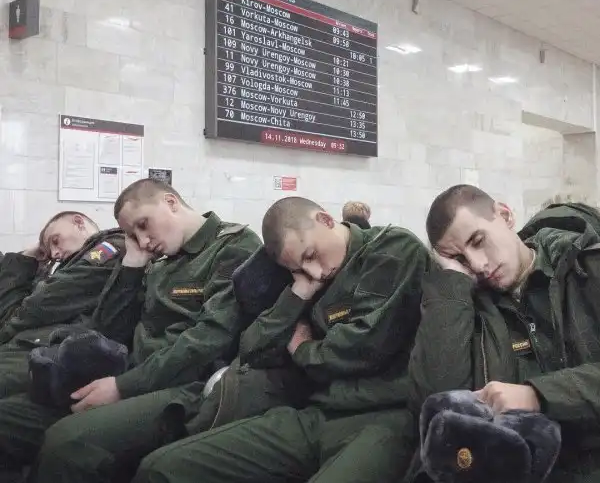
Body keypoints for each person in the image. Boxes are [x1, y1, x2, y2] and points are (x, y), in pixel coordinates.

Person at [130, 196, 432, 483]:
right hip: (315, 414)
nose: (315, 272)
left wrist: (302, 349)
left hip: (384, 417)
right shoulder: (307, 279)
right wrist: (297, 295)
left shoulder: (391, 248)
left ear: (326, 220)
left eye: (310, 255)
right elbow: (253, 350)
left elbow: (363, 347)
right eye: (299, 269)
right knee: (163, 468)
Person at [19, 179, 261, 482]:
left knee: (66, 443)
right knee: (19, 414)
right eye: (133, 235)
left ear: (170, 202)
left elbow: (208, 340)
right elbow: (107, 329)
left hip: (189, 385)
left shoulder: (233, 247)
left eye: (144, 225)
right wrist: (132, 264)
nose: (144, 240)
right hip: (135, 372)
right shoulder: (158, 258)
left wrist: (124, 386)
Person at [408, 184, 600, 482]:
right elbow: (435, 404)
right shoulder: (466, 307)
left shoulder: (586, 266)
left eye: (478, 240)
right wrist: (451, 285)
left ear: (506, 215)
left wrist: (539, 395)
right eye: (459, 259)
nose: (478, 265)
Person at [0, 211, 124, 398]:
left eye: (56, 241)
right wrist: (28, 257)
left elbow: (36, 306)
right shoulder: (73, 264)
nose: (55, 253)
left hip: (57, 350)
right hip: (38, 344)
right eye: (50, 251)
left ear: (78, 222)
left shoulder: (108, 250)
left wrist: (4, 333)